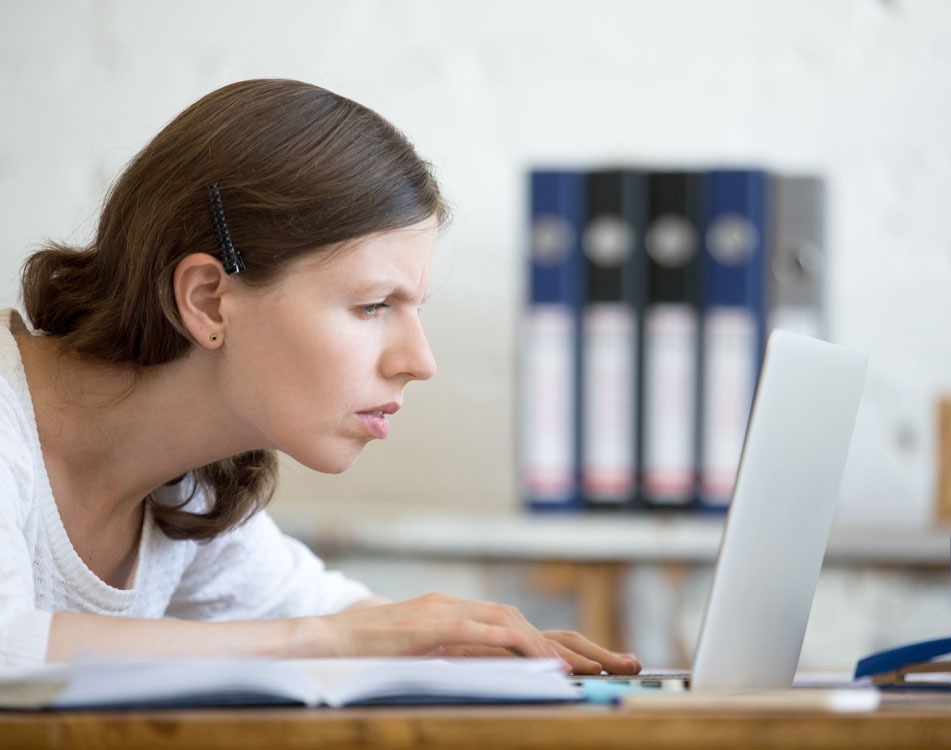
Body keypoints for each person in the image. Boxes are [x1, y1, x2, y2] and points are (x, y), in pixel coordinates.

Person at [0, 78, 640, 676]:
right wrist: (332, 639)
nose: (420, 362)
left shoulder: (186, 491)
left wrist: (471, 644)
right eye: (371, 306)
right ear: (208, 300)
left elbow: (329, 614)